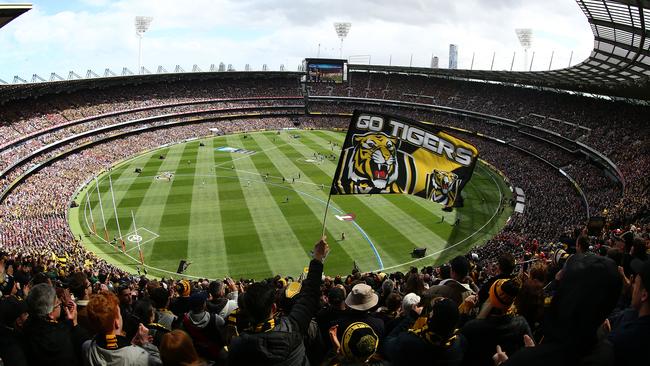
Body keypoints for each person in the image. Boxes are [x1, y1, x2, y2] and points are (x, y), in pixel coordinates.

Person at [227, 236, 329, 365]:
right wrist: (318, 257)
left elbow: (309, 297)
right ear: (274, 308)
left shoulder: (238, 346)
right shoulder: (293, 327)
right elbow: (310, 295)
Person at [83, 291, 162, 365]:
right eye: (119, 313)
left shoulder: (86, 346)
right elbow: (159, 364)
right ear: (116, 322)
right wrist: (146, 344)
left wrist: (130, 345)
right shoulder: (138, 357)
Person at [383, 297, 464, 366]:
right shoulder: (459, 343)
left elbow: (387, 343)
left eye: (431, 313)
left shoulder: (410, 342)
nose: (428, 314)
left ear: (431, 320)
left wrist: (412, 317)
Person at [23, 283, 85, 366]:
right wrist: (74, 322)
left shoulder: (26, 327)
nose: (60, 302)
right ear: (50, 314)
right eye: (57, 303)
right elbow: (83, 346)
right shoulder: (63, 335)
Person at [608, 258, 650, 366]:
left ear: (644, 295)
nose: (632, 286)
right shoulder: (636, 312)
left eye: (635, 284)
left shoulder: (622, 340)